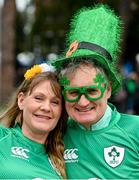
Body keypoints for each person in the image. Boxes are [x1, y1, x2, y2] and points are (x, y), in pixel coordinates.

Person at [51, 4, 139, 179]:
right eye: (74, 93)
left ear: (107, 89)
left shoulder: (136, 130)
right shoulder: (54, 133)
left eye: (92, 91)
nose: (83, 102)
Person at [0, 63, 67, 179]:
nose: (46, 107)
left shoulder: (65, 157)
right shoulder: (2, 139)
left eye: (55, 102)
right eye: (39, 98)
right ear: (21, 100)